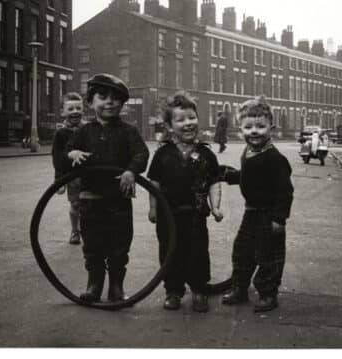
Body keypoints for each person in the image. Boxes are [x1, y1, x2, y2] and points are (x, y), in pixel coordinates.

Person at [67, 74, 149, 302]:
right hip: (90, 199)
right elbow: (67, 152)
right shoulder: (83, 132)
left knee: (119, 246)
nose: (109, 102)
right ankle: (94, 285)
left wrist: (131, 171)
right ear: (91, 102)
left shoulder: (128, 131)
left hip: (118, 200)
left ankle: (116, 287)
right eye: (102, 97)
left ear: (122, 105)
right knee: (92, 245)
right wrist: (72, 153)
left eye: (115, 99)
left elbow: (141, 153)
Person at [147, 91, 223, 312]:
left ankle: (199, 290)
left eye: (191, 117)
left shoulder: (206, 154)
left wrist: (216, 207)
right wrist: (153, 209)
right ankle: (173, 290)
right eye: (180, 120)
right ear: (170, 126)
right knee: (170, 252)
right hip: (168, 216)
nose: (187, 123)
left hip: (196, 215)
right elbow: (154, 183)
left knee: (198, 253)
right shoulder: (163, 154)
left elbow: (214, 182)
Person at [221, 96, 294, 312]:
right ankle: (240, 287)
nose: (254, 131)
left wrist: (279, 218)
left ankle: (268, 292)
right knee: (242, 250)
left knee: (268, 255)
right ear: (240, 128)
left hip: (269, 214)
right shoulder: (250, 151)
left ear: (271, 128)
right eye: (249, 127)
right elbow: (250, 177)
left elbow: (285, 191)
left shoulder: (275, 158)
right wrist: (231, 176)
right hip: (251, 212)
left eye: (261, 127)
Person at [51, 92, 86, 245]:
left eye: (78, 108)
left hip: (88, 174)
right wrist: (59, 179)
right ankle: (75, 231)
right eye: (70, 109)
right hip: (72, 175)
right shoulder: (61, 133)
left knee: (89, 204)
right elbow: (57, 158)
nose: (75, 112)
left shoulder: (88, 129)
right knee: (75, 204)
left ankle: (87, 231)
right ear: (62, 112)